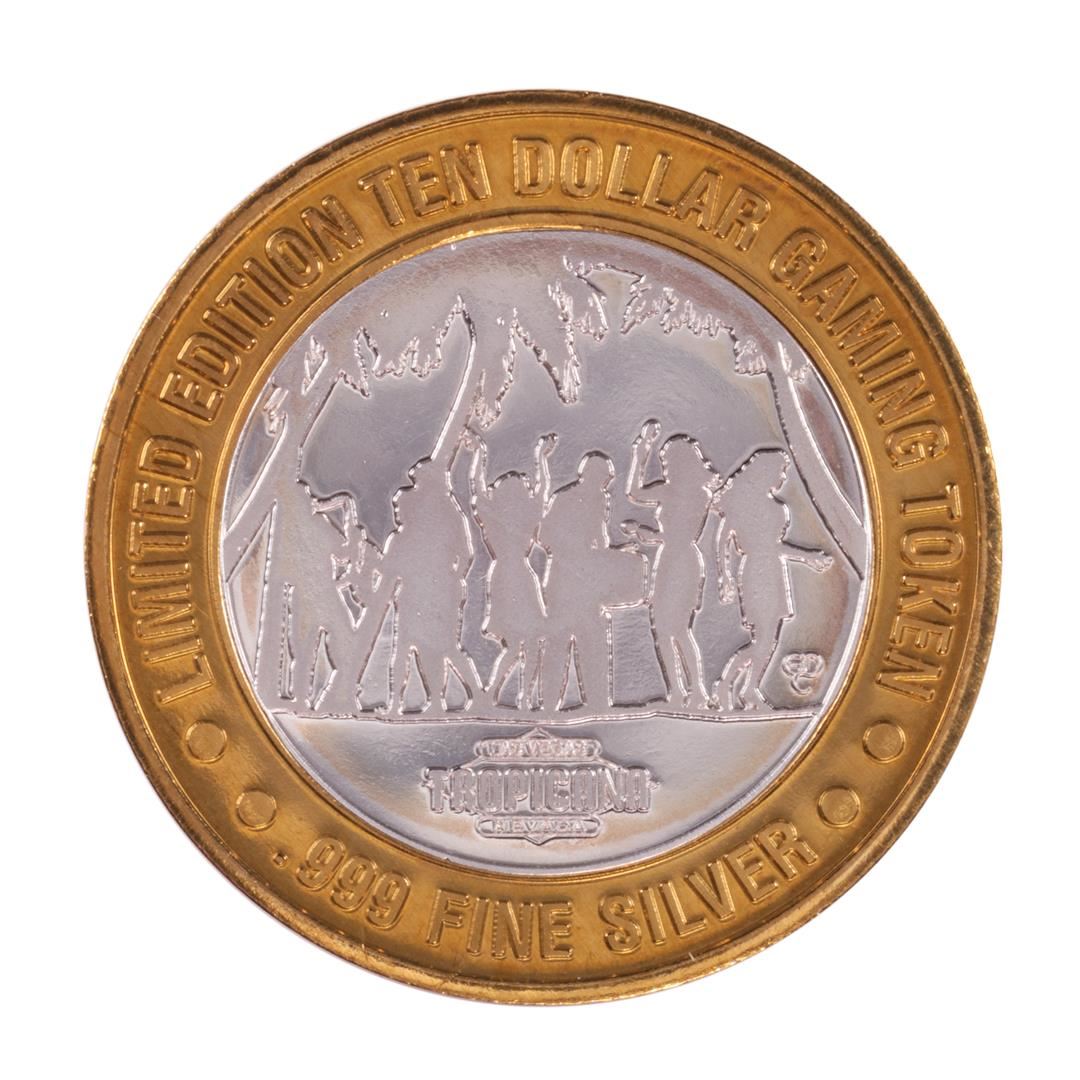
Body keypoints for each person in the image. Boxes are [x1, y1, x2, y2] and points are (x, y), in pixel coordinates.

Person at [713, 450, 832, 710]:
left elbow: (774, 547)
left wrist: (808, 557)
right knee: (763, 640)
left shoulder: (778, 508)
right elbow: (724, 541)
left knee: (768, 640)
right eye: (780, 471)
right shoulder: (741, 505)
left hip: (775, 572)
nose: (782, 477)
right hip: (756, 571)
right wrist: (725, 577)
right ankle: (731, 685)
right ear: (764, 472)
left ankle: (746, 689)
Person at [538, 453, 646, 711]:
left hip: (580, 582)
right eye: (603, 479)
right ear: (591, 476)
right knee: (569, 639)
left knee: (584, 640)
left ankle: (588, 704)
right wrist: (577, 550)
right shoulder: (571, 499)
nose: (605, 486)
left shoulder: (594, 499)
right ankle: (559, 705)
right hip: (569, 582)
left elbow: (598, 543)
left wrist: (616, 553)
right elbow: (545, 536)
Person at [630, 428, 719, 708]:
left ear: (683, 462)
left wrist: (645, 534)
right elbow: (635, 493)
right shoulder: (676, 491)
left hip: (682, 559)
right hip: (669, 559)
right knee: (663, 628)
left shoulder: (696, 494)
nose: (665, 467)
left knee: (678, 628)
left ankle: (698, 692)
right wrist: (640, 452)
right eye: (664, 462)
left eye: (668, 461)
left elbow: (680, 534)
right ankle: (679, 693)